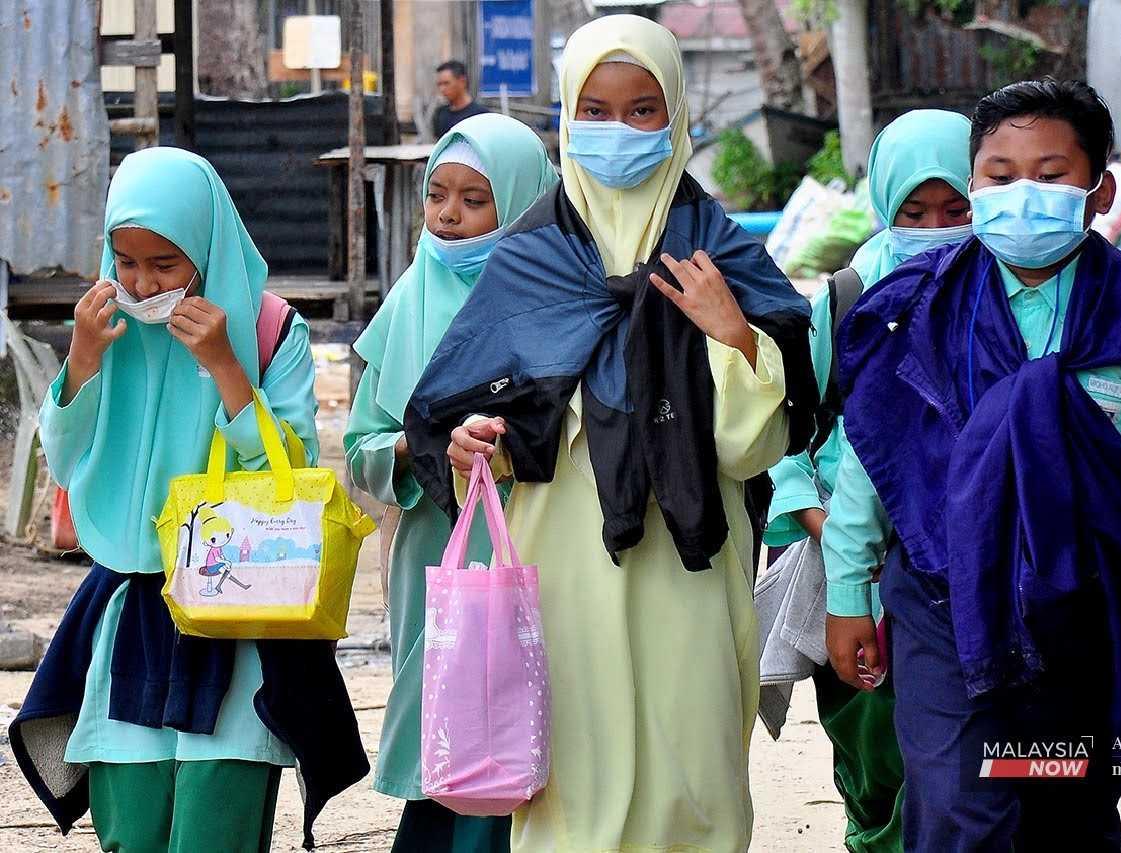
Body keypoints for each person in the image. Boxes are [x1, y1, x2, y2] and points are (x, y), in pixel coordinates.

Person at [826, 78, 1121, 850]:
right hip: (942, 602)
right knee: (959, 810)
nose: (1023, 194)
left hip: (1086, 612)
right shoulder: (922, 307)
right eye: (1000, 178)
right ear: (975, 184)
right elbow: (880, 454)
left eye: (1050, 173)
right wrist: (847, 588)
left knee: (1061, 816)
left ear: (1099, 191)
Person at [402, 16, 819, 851]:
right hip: (558, 565)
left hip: (690, 561)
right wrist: (471, 443)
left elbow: (749, 447)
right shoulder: (529, 258)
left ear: (677, 119)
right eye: (594, 109)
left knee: (693, 775)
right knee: (572, 790)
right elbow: (456, 414)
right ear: (564, 114)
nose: (617, 132)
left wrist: (732, 334)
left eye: (641, 111)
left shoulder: (719, 253)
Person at [9, 147, 367, 853]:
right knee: (131, 829)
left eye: (165, 264)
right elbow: (67, 457)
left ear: (205, 245)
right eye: (125, 260)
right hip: (130, 605)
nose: (141, 282)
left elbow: (291, 470)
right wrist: (80, 362)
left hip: (238, 610)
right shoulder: (105, 326)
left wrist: (226, 366)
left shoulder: (268, 329)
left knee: (216, 827)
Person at [344, 113, 558, 853]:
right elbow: (359, 450)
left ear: (525, 201)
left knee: (526, 728)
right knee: (450, 736)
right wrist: (420, 443)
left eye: (475, 199)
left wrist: (506, 441)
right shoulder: (406, 300)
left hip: (539, 551)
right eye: (439, 194)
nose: (448, 214)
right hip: (436, 563)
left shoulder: (562, 295)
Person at [764, 108, 972, 852]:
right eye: (915, 211)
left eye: (957, 209)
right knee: (874, 757)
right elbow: (789, 428)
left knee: (960, 774)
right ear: (884, 203)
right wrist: (819, 521)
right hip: (858, 571)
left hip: (965, 566)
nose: (937, 227)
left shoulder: (1002, 291)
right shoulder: (849, 297)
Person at [432, 61, 489, 139]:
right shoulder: (440, 114)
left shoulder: (480, 114)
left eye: (446, 83)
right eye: (439, 84)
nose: (442, 89)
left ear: (462, 81)